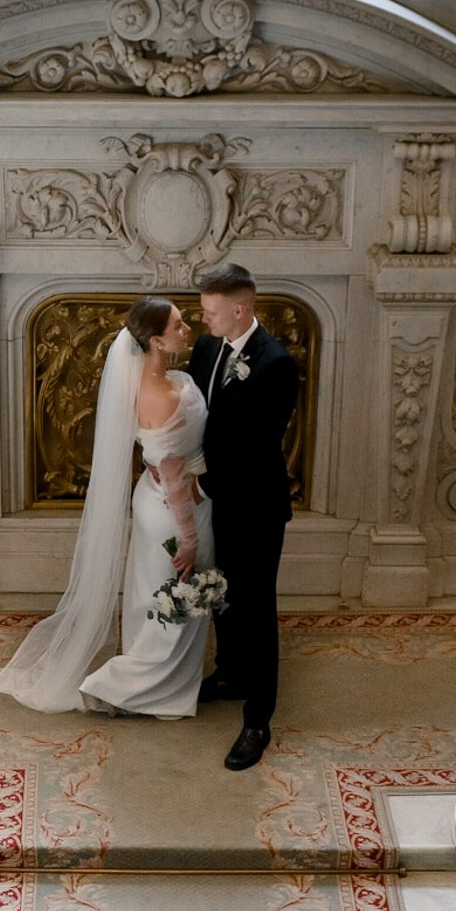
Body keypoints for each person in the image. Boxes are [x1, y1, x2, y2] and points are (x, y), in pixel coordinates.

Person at [0, 295, 214, 718]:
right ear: (155, 341)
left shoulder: (171, 380)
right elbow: (171, 474)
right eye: (179, 326)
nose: (188, 330)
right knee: (174, 604)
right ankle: (127, 689)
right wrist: (188, 537)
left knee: (156, 598)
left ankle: (162, 687)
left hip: (159, 501)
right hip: (174, 511)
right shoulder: (161, 397)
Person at [190, 258, 298, 771]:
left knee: (257, 607)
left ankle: (258, 717)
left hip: (255, 504)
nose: (203, 319)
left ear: (239, 308)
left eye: (211, 311)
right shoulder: (208, 347)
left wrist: (200, 482)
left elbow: (256, 447)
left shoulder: (275, 364)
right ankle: (230, 673)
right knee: (222, 591)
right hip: (215, 499)